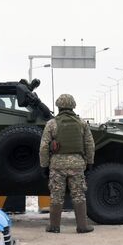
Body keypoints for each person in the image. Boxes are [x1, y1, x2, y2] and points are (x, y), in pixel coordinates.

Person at [38, 93, 95, 233]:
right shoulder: (82, 123)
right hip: (77, 165)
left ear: (58, 107)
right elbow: (90, 144)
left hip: (57, 165)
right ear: (73, 106)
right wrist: (90, 163)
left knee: (56, 196)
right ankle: (82, 226)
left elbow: (44, 146)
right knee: (79, 195)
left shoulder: (52, 124)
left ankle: (54, 226)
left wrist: (44, 165)